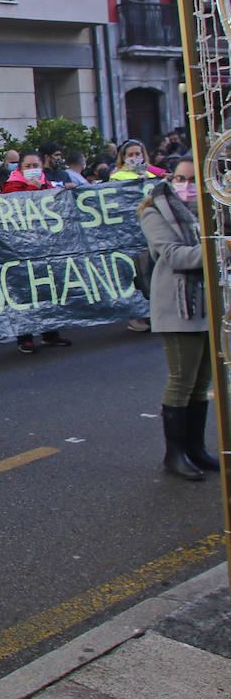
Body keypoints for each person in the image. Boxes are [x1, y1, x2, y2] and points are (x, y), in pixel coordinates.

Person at [139, 157, 218, 481]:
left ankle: (195, 448)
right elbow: (171, 255)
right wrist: (217, 250)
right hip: (177, 304)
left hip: (207, 303)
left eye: (192, 178)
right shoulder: (154, 211)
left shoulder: (210, 210)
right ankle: (175, 455)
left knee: (201, 382)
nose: (185, 184)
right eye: (179, 178)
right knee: (182, 380)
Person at [2, 150, 73, 354]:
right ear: (20, 169)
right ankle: (24, 336)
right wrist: (29, 192)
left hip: (45, 247)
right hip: (21, 249)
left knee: (48, 289)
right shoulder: (11, 187)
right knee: (25, 292)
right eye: (28, 166)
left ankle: (51, 331)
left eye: (36, 166)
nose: (33, 170)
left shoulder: (49, 187)